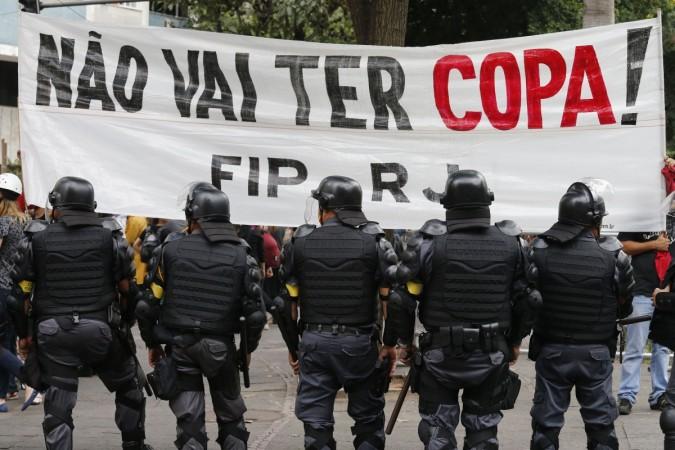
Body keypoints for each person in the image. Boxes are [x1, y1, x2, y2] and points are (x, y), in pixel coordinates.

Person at [390, 169, 538, 450]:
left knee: (438, 434)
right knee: (483, 435)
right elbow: (528, 300)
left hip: (439, 356)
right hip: (491, 353)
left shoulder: (428, 244)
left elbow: (402, 300)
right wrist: (516, 342)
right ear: (487, 202)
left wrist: (405, 343)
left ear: (447, 204)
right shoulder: (512, 244)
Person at [10, 176, 152, 450]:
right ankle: (134, 444)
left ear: (56, 204)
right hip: (101, 327)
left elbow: (20, 296)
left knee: (58, 402)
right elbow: (128, 289)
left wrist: (24, 336)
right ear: (91, 205)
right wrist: (125, 323)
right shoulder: (110, 236)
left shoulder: (36, 238)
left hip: (52, 331)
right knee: (129, 386)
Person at [136, 182, 266, 450]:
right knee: (231, 419)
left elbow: (148, 306)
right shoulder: (242, 255)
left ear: (191, 216)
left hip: (180, 346)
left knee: (190, 422)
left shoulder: (169, 251)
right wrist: (246, 350)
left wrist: (152, 343)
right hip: (221, 347)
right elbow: (255, 316)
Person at [276, 175, 397, 450]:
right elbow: (392, 299)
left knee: (316, 424)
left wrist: (294, 349)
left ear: (327, 206)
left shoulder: (300, 243)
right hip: (360, 344)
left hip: (315, 342)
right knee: (368, 422)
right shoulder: (376, 243)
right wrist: (390, 344)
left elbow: (286, 303)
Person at [528, 181, 634, 450]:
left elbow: (528, 301)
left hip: (552, 350)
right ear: (595, 219)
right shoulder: (614, 257)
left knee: (545, 427)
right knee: (601, 427)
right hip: (595, 352)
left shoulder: (539, 251)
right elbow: (625, 307)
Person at [615, 230, 672, 414]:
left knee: (662, 348)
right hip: (641, 291)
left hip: (666, 293)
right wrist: (653, 244)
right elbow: (623, 245)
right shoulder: (642, 216)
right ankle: (626, 394)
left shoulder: (670, 218)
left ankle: (660, 394)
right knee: (635, 347)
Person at [0, 172, 28, 412]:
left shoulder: (3, 222)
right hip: (17, 287)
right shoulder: (24, 221)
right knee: (8, 337)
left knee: (3, 341)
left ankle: (24, 377)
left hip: (0, 286)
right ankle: (9, 387)